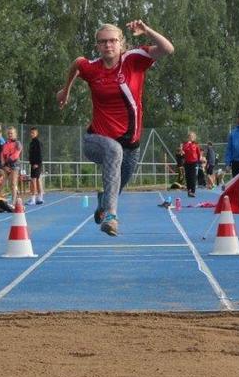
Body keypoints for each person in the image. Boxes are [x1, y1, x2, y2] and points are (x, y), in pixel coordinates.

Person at [57, 20, 174, 236]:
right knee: (113, 151)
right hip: (95, 140)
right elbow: (76, 64)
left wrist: (147, 30)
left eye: (112, 41)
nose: (108, 45)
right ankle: (111, 217)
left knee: (117, 184)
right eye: (103, 42)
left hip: (131, 144)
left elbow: (167, 49)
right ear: (97, 46)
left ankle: (104, 203)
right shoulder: (91, 68)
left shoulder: (133, 60)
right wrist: (66, 90)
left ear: (121, 43)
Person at [0, 126, 22, 204]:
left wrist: (6, 162)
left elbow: (16, 155)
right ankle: (0, 201)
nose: (10, 135)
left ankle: (13, 202)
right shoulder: (5, 144)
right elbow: (2, 155)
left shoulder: (18, 143)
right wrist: (4, 165)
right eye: (9, 133)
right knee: (1, 183)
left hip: (14, 165)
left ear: (15, 134)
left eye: (11, 133)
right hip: (6, 166)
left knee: (13, 183)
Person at [181, 131, 201, 197]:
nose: (191, 138)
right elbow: (184, 150)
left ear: (194, 138)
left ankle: (192, 191)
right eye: (190, 136)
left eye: (192, 136)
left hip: (194, 163)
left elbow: (198, 154)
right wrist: (188, 144)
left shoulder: (196, 145)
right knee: (188, 177)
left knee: (193, 177)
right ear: (188, 138)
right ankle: (189, 190)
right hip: (187, 163)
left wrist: (198, 162)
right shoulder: (186, 144)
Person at [28, 127, 44, 204]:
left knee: (33, 180)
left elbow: (40, 154)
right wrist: (31, 162)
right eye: (31, 133)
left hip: (36, 164)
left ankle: (33, 199)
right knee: (37, 180)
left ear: (36, 133)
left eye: (33, 133)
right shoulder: (32, 142)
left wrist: (36, 163)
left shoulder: (37, 142)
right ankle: (39, 198)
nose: (32, 134)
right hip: (33, 164)